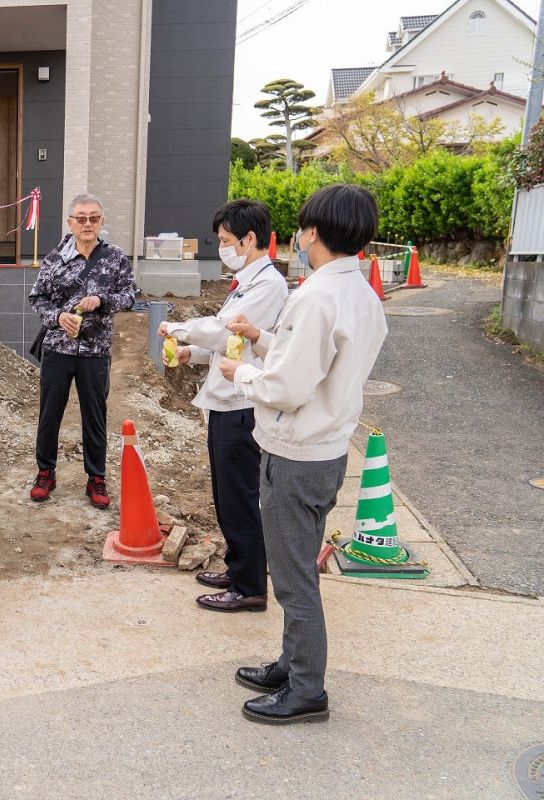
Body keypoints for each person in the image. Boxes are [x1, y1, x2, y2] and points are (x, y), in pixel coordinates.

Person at [219, 184, 387, 725]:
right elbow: (318, 363)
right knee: (297, 565)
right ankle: (291, 664)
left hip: (295, 453)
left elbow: (288, 387)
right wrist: (264, 340)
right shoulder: (360, 294)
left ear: (313, 231)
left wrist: (241, 371)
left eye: (302, 226)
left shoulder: (317, 295)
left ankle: (307, 688)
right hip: (327, 449)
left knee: (293, 579)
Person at [158, 200, 287, 613]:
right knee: (226, 493)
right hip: (227, 400)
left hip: (242, 403)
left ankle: (249, 586)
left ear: (250, 239)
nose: (222, 248)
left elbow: (222, 332)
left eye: (227, 241)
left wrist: (179, 329)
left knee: (240, 496)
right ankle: (238, 568)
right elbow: (228, 344)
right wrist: (189, 354)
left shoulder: (267, 285)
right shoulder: (247, 281)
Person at [28, 194, 137, 508]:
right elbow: (38, 298)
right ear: (70, 222)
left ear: (101, 221)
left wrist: (102, 302)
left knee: (95, 415)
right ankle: (45, 472)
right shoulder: (54, 258)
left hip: (95, 349)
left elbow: (130, 294)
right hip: (57, 349)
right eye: (81, 218)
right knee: (49, 414)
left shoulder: (115, 257)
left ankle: (96, 477)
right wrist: (57, 317)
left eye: (93, 218)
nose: (87, 223)